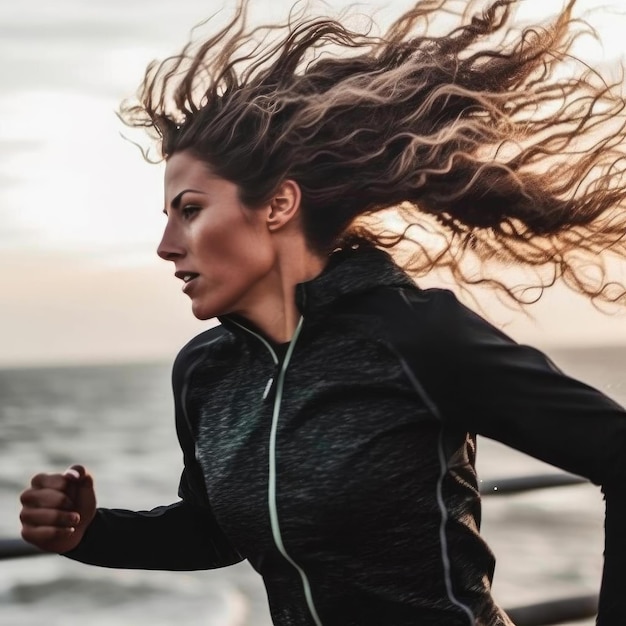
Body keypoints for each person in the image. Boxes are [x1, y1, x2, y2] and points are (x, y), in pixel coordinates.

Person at [18, 0, 626, 624]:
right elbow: (212, 533)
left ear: (278, 204)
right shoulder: (206, 374)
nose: (167, 244)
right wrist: (87, 532)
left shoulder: (414, 337)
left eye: (191, 210)